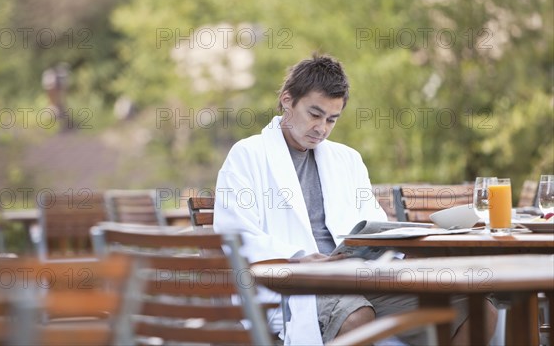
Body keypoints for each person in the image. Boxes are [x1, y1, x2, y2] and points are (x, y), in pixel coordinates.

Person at [213, 54, 497, 345]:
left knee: (480, 310)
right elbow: (233, 236)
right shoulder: (248, 155)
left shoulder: (347, 159)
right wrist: (298, 257)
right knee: (357, 316)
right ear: (287, 100)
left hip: (360, 277)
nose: (321, 128)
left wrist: (387, 250)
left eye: (332, 119)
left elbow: (374, 225)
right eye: (315, 114)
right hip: (295, 286)